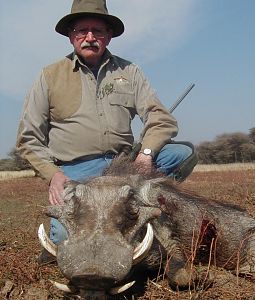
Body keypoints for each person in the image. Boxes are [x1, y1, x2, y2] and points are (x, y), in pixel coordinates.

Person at [16, 0, 196, 250]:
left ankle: (150, 206)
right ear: (71, 36)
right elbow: (28, 139)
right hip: (75, 171)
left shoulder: (129, 71)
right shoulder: (49, 76)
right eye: (82, 31)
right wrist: (54, 175)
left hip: (121, 165)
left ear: (108, 36)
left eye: (97, 31)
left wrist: (145, 155)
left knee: (181, 154)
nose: (90, 37)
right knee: (63, 242)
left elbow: (161, 118)